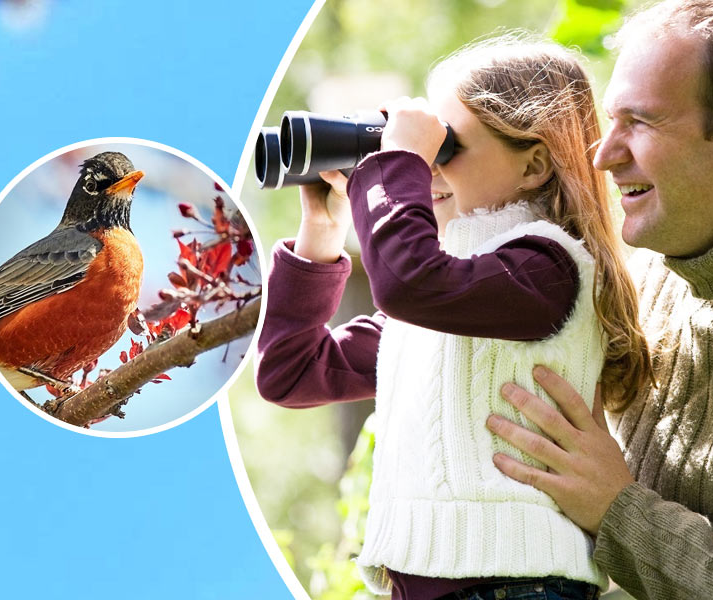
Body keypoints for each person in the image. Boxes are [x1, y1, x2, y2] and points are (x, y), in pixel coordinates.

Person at [256, 35, 653, 600]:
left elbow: (410, 283)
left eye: (444, 149)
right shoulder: (440, 306)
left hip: (518, 587)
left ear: (535, 163)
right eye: (424, 151)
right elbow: (290, 373)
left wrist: (396, 165)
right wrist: (321, 234)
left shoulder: (545, 268)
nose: (427, 171)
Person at [483, 2, 713, 599]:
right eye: (610, 119)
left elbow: (609, 501)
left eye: (642, 123)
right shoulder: (630, 284)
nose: (604, 154)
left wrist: (620, 513)